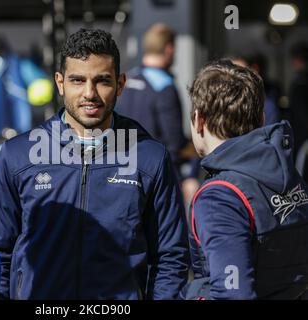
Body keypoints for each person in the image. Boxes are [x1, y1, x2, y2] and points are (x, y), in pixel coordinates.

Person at [0, 28, 189, 300]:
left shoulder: (149, 157)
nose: (90, 93)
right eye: (78, 80)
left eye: (102, 81)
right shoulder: (18, 155)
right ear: (60, 82)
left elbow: (171, 256)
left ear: (121, 84)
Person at [182, 60, 308, 300]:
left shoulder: (219, 196)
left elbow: (233, 294)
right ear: (261, 120)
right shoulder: (292, 177)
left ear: (199, 120)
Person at [116, 23, 199, 204]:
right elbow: (174, 142)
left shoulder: (128, 81)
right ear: (169, 49)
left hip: (124, 170)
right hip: (158, 175)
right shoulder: (164, 87)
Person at [288, 43, 308, 156]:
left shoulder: (301, 84)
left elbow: (301, 116)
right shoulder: (300, 81)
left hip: (302, 139)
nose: (293, 62)